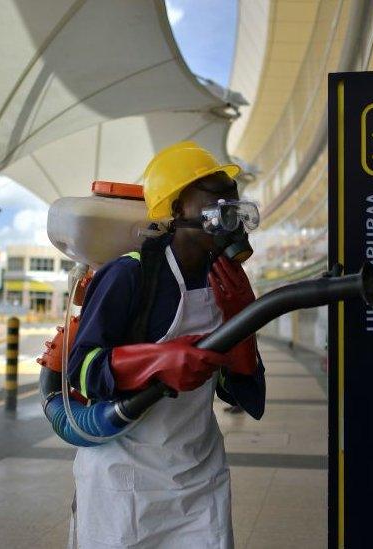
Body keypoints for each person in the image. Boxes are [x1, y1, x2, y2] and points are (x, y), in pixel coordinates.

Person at [66, 141, 266, 548]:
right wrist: (157, 361)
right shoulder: (128, 277)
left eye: (233, 200)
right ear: (177, 210)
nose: (229, 211)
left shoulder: (227, 286)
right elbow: (81, 372)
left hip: (199, 480)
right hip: (122, 481)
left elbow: (248, 397)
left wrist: (242, 321)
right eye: (215, 197)